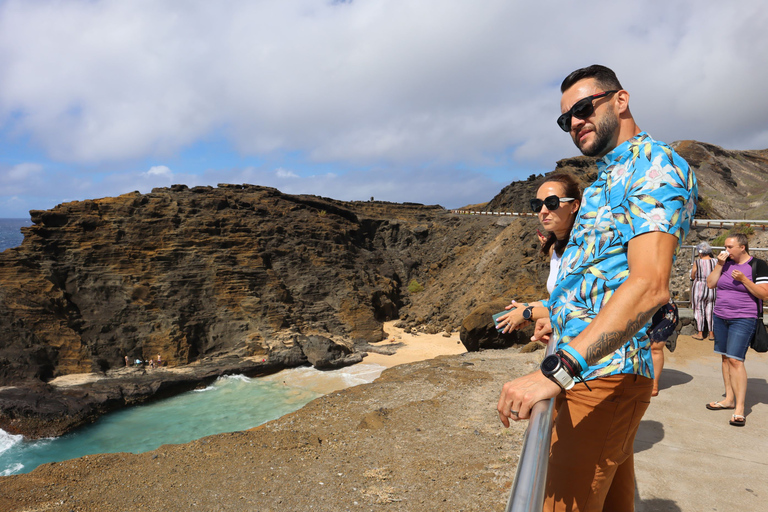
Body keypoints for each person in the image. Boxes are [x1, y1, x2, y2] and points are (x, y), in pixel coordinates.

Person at [497, 64, 697, 512]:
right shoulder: (605, 180)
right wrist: (554, 314)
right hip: (592, 369)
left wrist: (556, 370)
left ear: (620, 100)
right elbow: (599, 277)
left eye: (584, 108)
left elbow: (649, 287)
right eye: (565, 117)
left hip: (603, 374)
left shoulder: (654, 165)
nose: (574, 122)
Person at [495, 174, 582, 335]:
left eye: (551, 203)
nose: (543, 211)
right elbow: (560, 301)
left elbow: (583, 308)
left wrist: (528, 313)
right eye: (537, 205)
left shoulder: (585, 249)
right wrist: (532, 305)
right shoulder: (556, 249)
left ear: (574, 206)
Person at [705, 234, 768, 426]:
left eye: (730, 247)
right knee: (725, 357)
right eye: (725, 246)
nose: (726, 250)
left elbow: (764, 295)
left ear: (742, 247)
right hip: (720, 316)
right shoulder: (724, 264)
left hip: (743, 318)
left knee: (735, 360)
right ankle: (729, 400)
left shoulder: (758, 265)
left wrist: (744, 280)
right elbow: (710, 283)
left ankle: (740, 408)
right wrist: (718, 265)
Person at [691, 242, 717, 340]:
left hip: (700, 287)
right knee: (711, 309)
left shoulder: (697, 262)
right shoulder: (716, 261)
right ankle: (711, 333)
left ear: (700, 252)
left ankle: (700, 333)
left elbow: (693, 273)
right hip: (712, 287)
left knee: (699, 309)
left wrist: (693, 277)